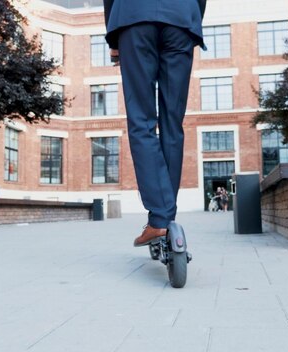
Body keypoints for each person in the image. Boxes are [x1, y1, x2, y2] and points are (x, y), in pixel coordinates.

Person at [103, 0, 207, 247]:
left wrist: (114, 40)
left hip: (134, 16)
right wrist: (190, 17)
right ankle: (164, 220)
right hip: (181, 19)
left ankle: (159, 220)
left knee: (141, 121)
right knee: (173, 123)